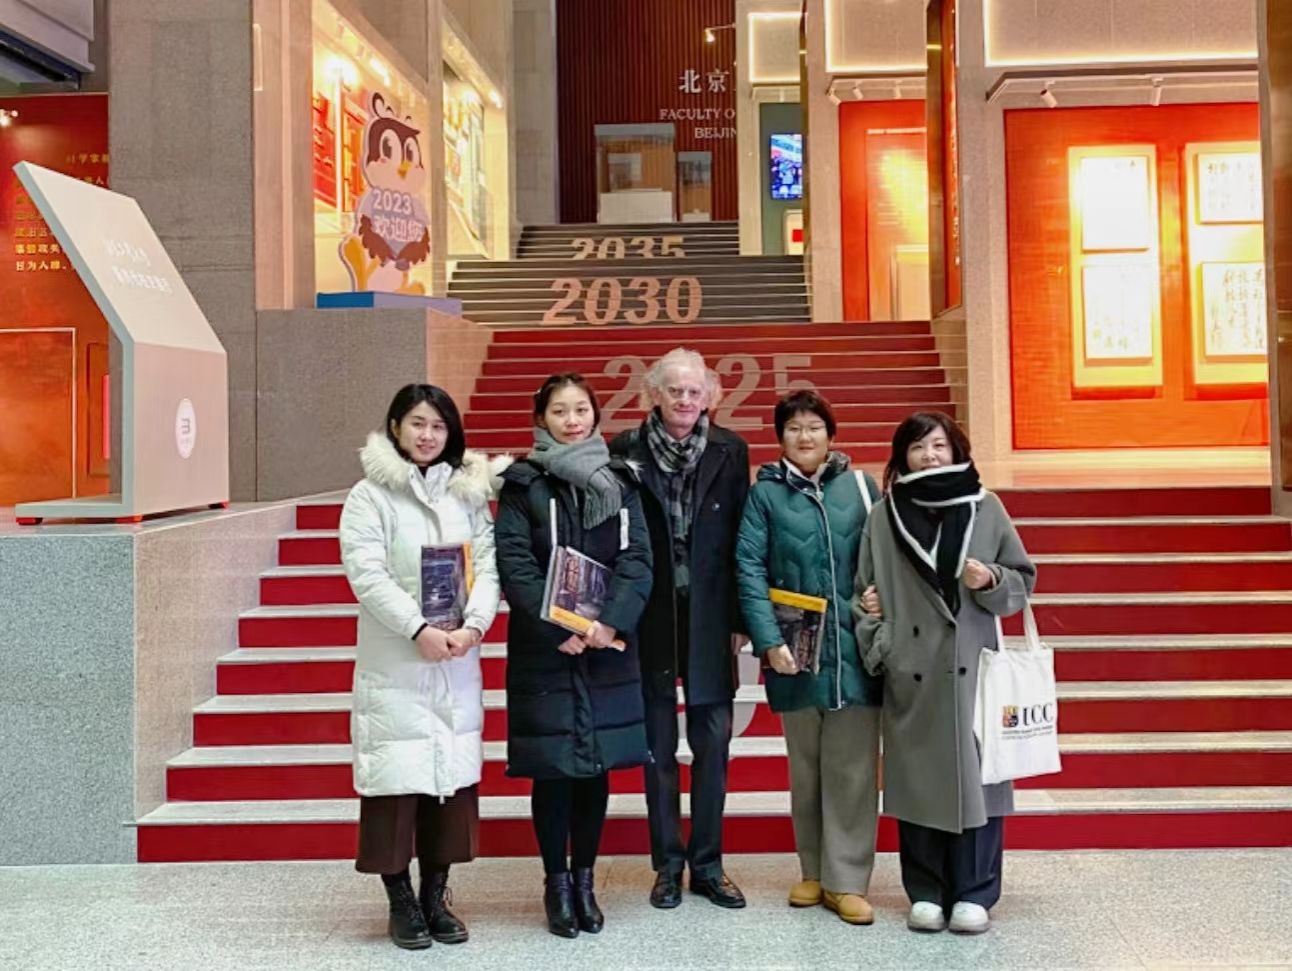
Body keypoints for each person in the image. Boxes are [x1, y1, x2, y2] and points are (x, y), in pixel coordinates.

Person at [853, 411, 1036, 936]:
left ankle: (976, 892)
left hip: (973, 667)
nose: (929, 456)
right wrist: (882, 639)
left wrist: (990, 578)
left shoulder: (985, 506)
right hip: (913, 669)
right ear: (902, 457)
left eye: (938, 445)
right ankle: (926, 891)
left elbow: (1022, 579)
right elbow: (862, 594)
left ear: (956, 450)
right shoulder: (884, 516)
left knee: (981, 781)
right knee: (918, 782)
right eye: (918, 447)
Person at [338, 384, 503, 950]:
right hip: (398, 661)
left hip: (456, 657)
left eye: (438, 425)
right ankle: (400, 901)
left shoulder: (468, 495)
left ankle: (435, 895)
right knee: (394, 784)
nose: (428, 435)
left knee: (448, 784)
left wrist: (474, 625)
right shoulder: (370, 496)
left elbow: (488, 564)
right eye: (417, 423)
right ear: (395, 427)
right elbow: (367, 574)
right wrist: (417, 629)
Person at [495, 373, 654, 939]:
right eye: (559, 411)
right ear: (541, 419)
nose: (571, 420)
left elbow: (638, 559)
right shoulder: (523, 483)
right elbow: (514, 560)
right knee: (554, 769)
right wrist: (553, 625)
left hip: (605, 646)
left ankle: (585, 880)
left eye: (581, 409)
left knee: (595, 768)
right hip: (547, 647)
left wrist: (609, 621)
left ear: (595, 416)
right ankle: (556, 882)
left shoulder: (620, 480)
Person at [609, 348, 751, 910]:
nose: (686, 401)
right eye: (675, 391)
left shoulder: (730, 450)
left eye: (695, 391)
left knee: (713, 744)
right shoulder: (625, 449)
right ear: (654, 394)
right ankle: (667, 865)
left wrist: (740, 618)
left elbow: (742, 537)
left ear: (710, 396)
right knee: (658, 748)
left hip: (711, 616)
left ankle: (709, 865)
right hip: (651, 613)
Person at [734, 391, 883, 926]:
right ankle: (813, 871)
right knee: (807, 767)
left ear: (831, 434)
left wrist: (880, 597)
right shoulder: (764, 496)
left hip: (854, 651)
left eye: (814, 426)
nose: (805, 436)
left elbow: (885, 556)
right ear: (780, 438)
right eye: (794, 427)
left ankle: (848, 881)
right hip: (794, 652)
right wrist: (767, 639)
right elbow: (748, 568)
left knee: (854, 770)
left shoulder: (862, 488)